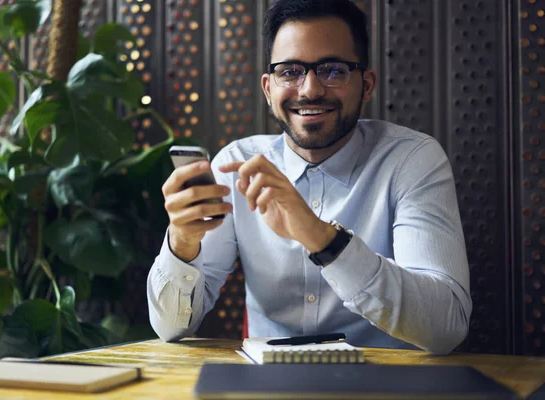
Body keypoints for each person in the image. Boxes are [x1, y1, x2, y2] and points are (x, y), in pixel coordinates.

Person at [147, 0, 472, 355]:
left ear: (366, 85)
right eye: (290, 71)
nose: (310, 90)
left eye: (333, 70)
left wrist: (321, 238)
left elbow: (446, 327)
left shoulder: (412, 160)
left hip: (387, 386)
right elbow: (170, 327)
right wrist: (182, 242)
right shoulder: (236, 166)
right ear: (268, 88)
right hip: (266, 388)